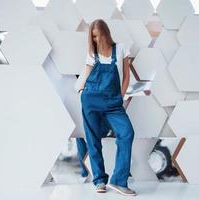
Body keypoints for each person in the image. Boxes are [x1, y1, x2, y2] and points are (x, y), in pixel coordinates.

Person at [75, 19, 136, 196]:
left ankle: (118, 181)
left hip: (113, 102)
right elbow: (85, 74)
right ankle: (99, 180)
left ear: (105, 33)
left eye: (96, 35)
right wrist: (80, 90)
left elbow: (126, 76)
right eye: (92, 37)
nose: (94, 40)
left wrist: (121, 97)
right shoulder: (92, 54)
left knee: (127, 133)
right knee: (93, 140)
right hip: (90, 100)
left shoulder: (121, 48)